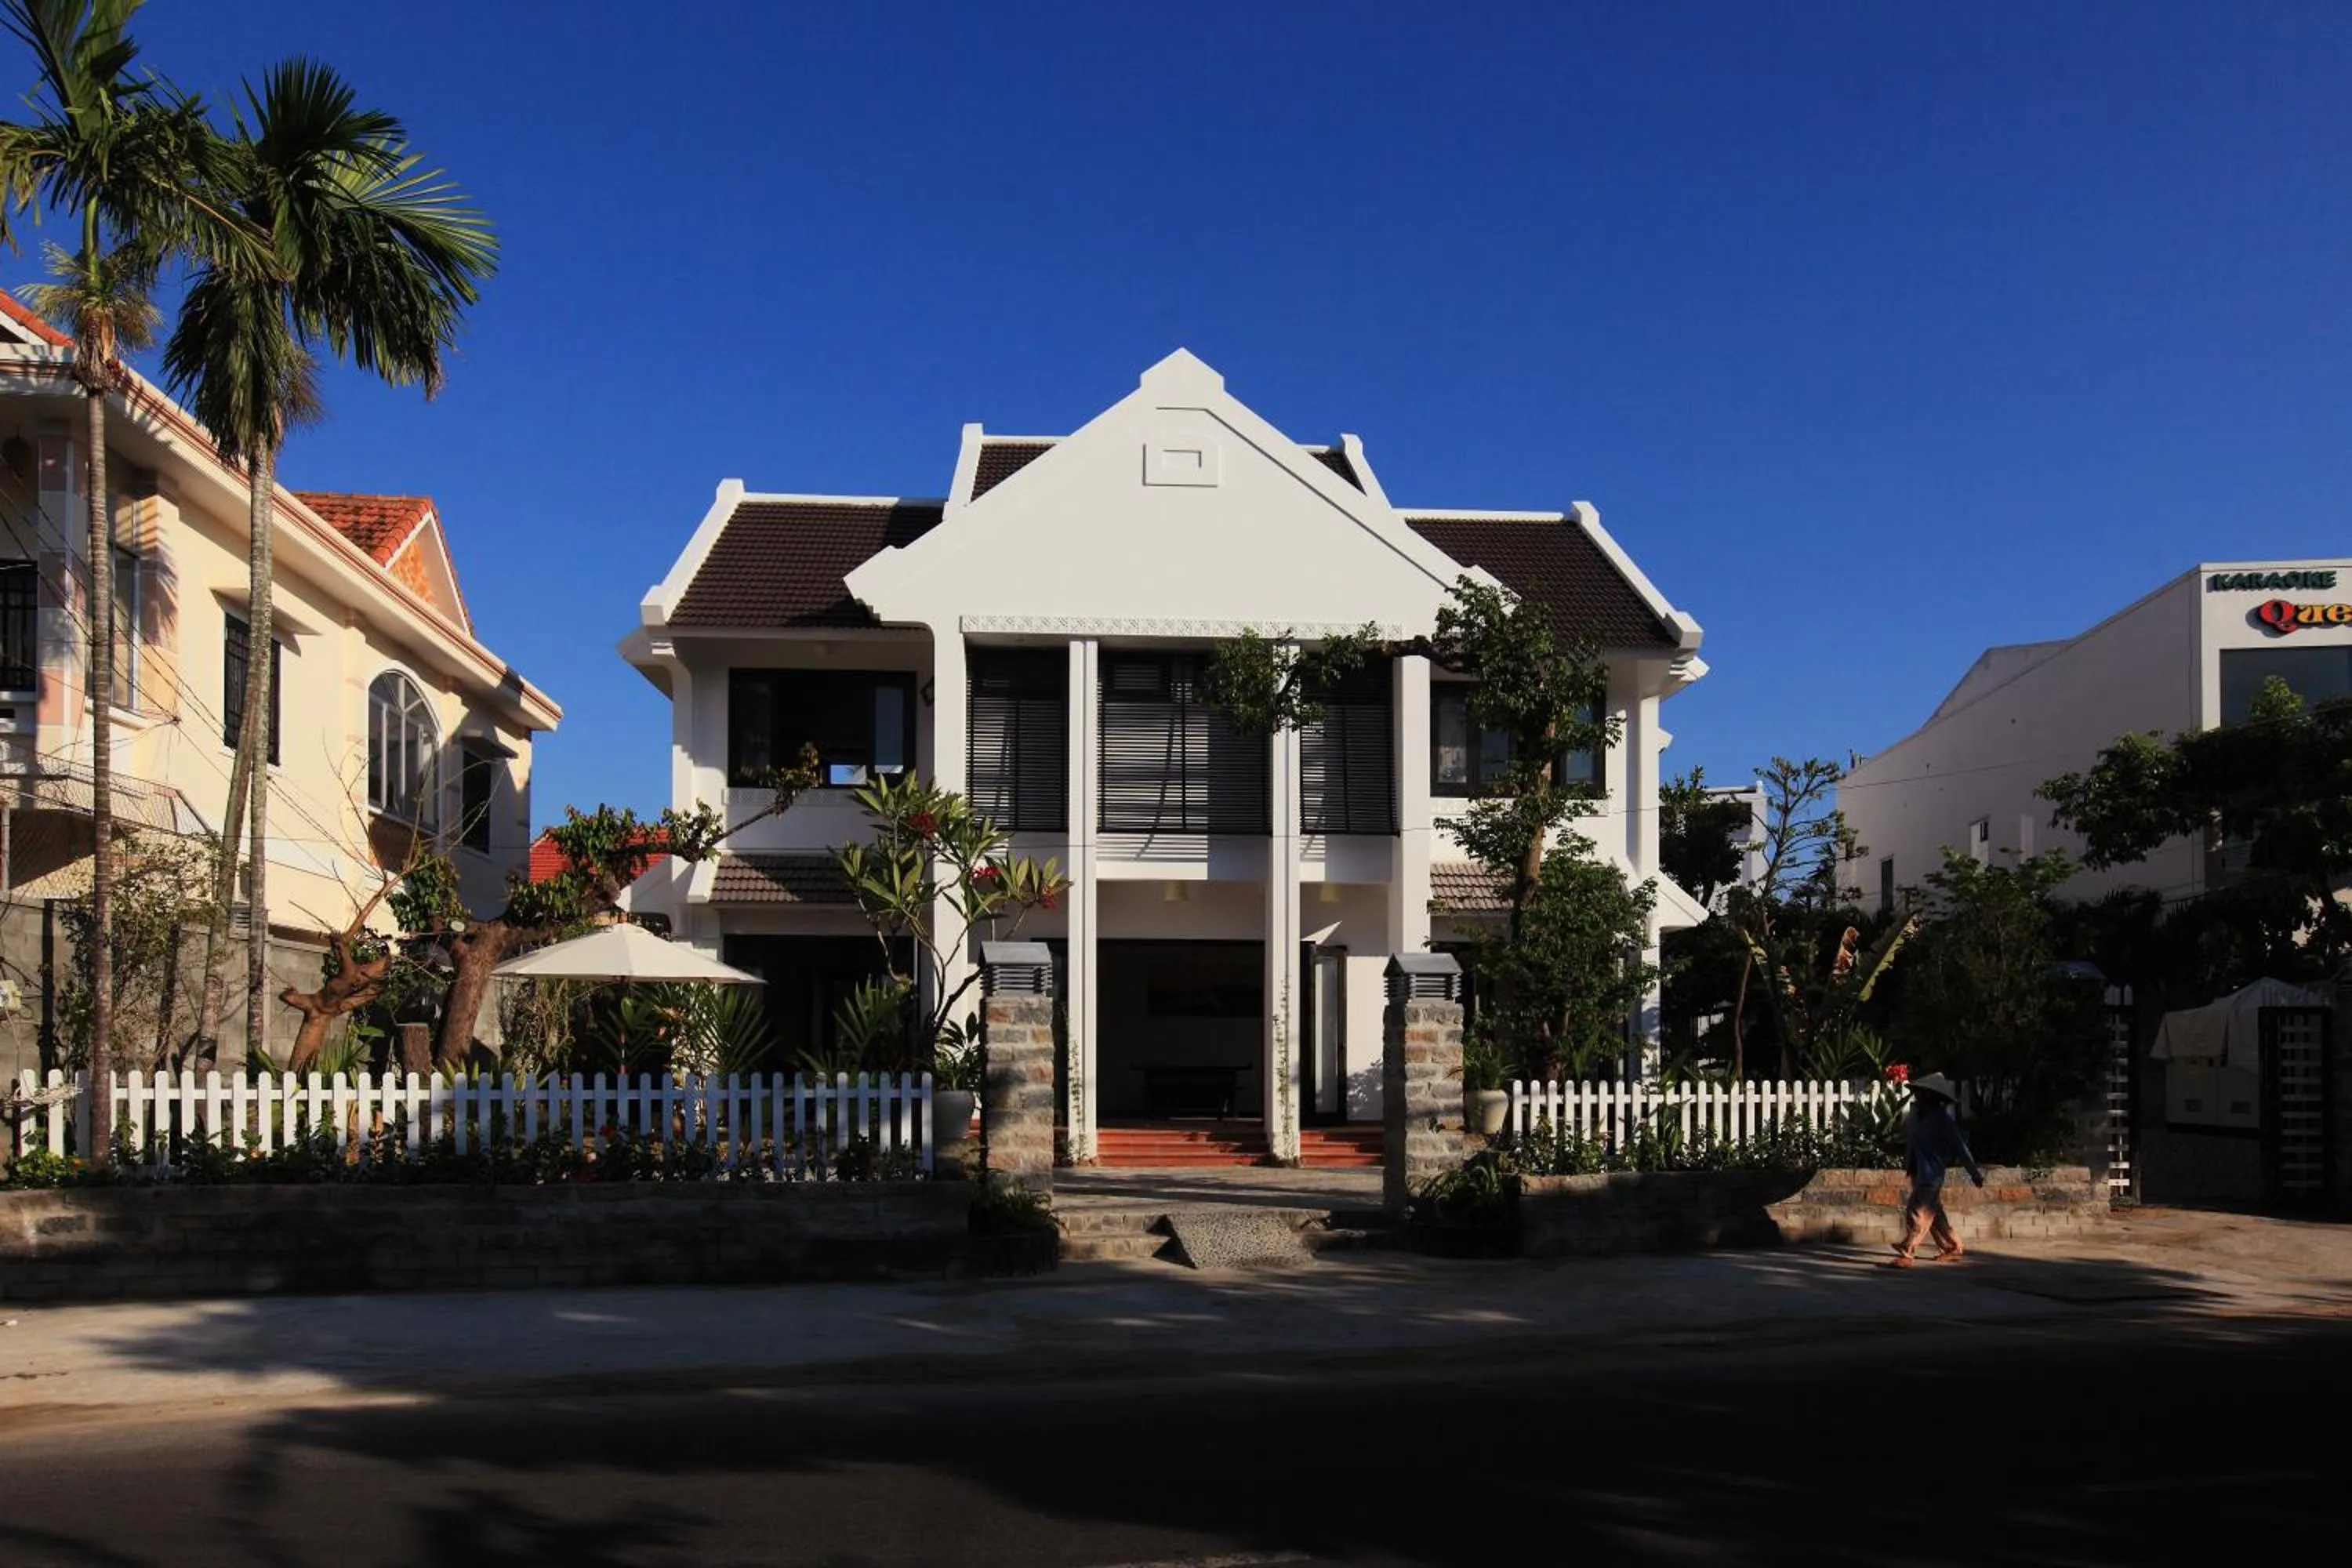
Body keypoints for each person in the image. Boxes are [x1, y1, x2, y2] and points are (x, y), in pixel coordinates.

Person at [1886, 1072, 1982, 1267]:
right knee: (1934, 1214)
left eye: (1923, 1093)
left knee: (1919, 1212)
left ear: (1933, 1096)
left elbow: (1960, 1148)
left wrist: (1974, 1173)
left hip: (1932, 1173)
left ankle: (1908, 1252)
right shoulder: (1917, 1117)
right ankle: (1953, 1247)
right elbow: (1910, 1140)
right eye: (1918, 1092)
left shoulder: (1942, 1120)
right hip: (1918, 1171)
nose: (1918, 1096)